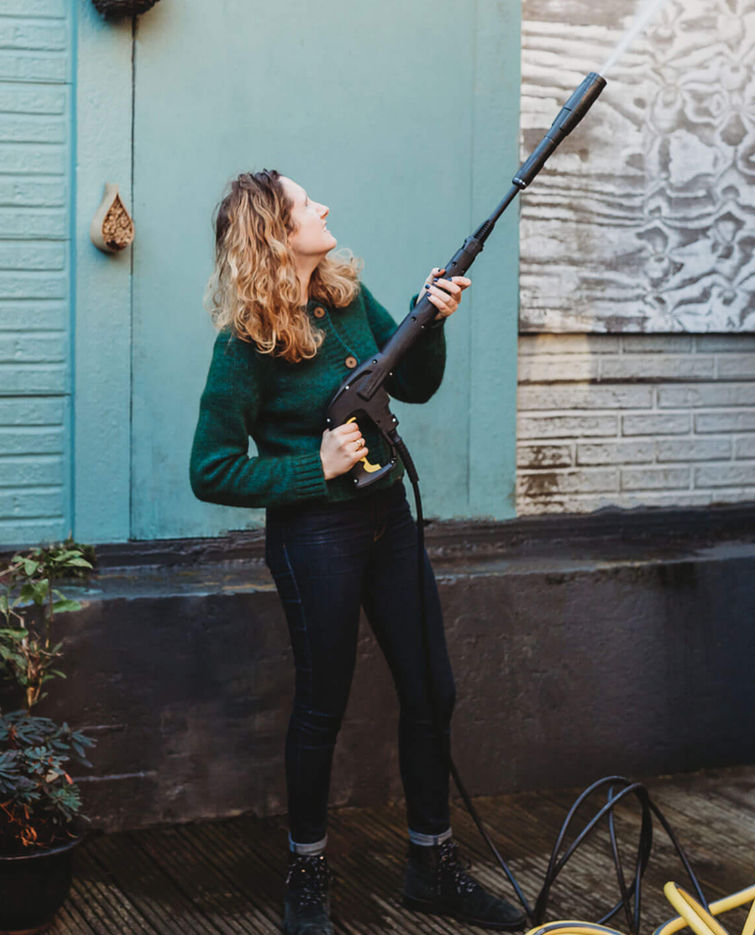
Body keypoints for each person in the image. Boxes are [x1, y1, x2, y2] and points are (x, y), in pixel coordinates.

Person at [189, 170, 525, 935]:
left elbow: (417, 386)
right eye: (307, 204)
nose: (324, 207)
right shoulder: (247, 340)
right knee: (321, 706)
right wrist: (319, 467)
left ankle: (430, 864)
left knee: (432, 690)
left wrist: (429, 320)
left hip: (387, 522)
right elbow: (210, 468)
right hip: (316, 538)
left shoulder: (343, 300)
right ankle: (306, 872)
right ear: (275, 232)